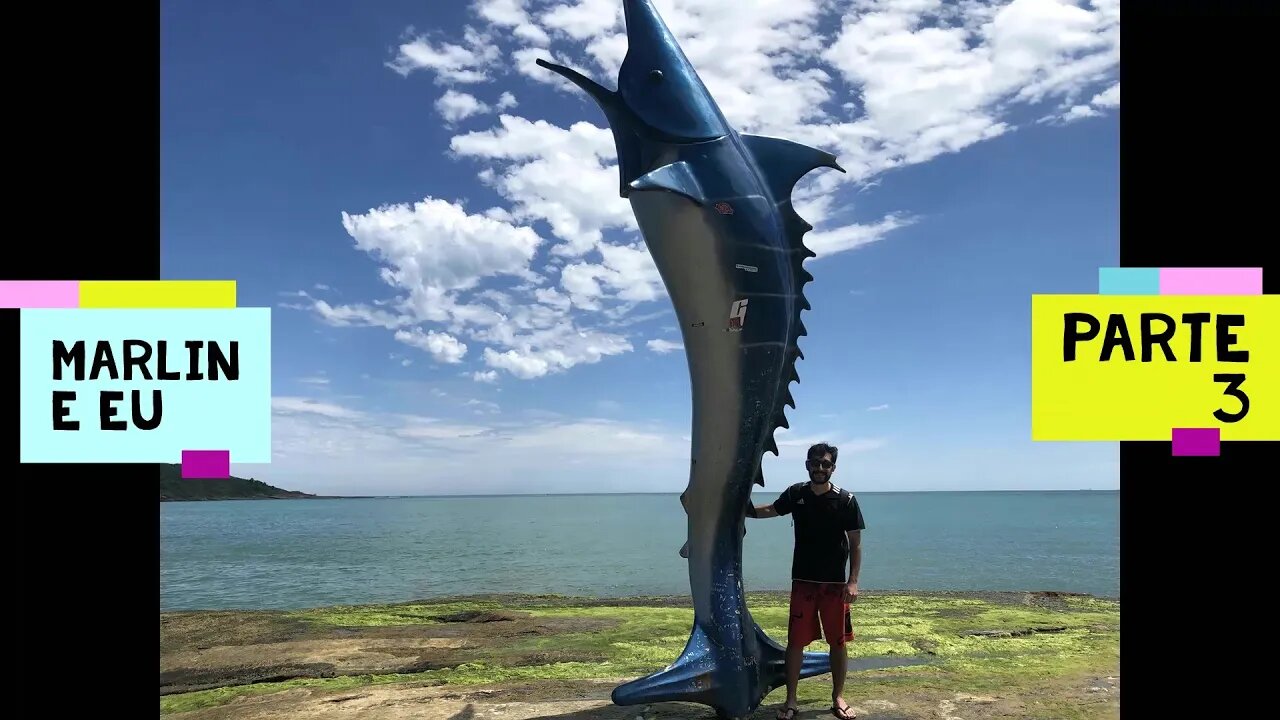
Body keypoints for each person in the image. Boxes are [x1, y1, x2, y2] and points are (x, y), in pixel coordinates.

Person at [747, 442, 865, 720]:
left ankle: (837, 696)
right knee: (795, 642)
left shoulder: (846, 500)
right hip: (803, 581)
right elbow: (771, 510)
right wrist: (741, 510)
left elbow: (856, 543)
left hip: (835, 585)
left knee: (837, 642)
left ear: (833, 468)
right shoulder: (796, 493)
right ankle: (791, 700)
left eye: (825, 464)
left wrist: (853, 581)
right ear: (807, 465)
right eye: (815, 463)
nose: (820, 468)